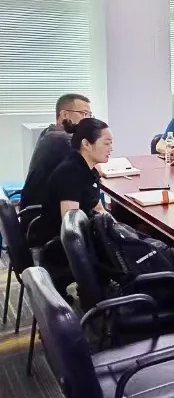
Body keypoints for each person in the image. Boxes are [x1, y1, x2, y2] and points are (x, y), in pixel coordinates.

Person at [38, 119, 112, 294]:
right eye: (106, 143)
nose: (111, 148)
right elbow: (71, 228)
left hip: (71, 239)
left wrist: (119, 229)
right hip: (59, 245)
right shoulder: (70, 174)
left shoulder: (86, 169)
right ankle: (101, 296)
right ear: (86, 144)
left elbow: (98, 208)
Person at [21, 93, 92, 209]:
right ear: (64, 114)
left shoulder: (49, 131)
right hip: (41, 214)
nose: (88, 120)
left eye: (90, 115)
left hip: (35, 208)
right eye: (84, 114)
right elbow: (93, 168)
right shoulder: (62, 139)